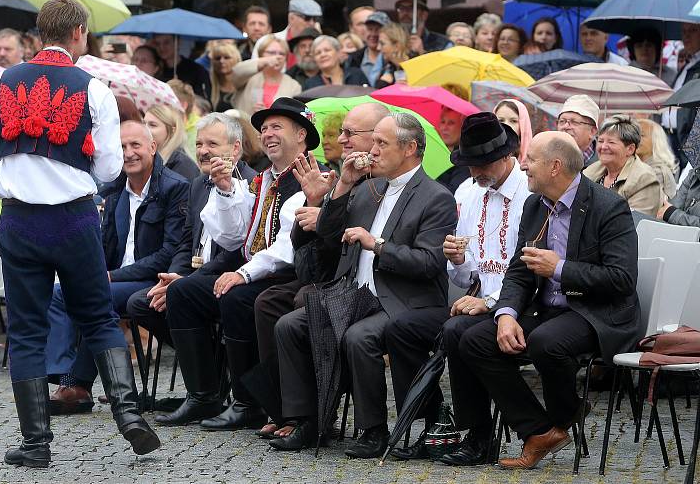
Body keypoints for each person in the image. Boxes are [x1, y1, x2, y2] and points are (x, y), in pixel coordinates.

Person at [0, 0, 160, 466]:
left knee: (27, 329)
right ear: (79, 32)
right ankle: (130, 417)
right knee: (98, 317)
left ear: (40, 33)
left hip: (18, 219)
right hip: (75, 217)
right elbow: (109, 166)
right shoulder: (94, 88)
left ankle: (36, 444)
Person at [269, 112, 456, 456]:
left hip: (400, 300)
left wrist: (378, 245)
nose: (373, 150)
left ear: (410, 148)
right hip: (352, 294)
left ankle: (373, 429)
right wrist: (341, 186)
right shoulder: (369, 187)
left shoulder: (435, 197)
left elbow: (429, 264)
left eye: (382, 143)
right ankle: (308, 421)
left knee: (359, 337)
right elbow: (327, 239)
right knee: (289, 326)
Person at [454, 131, 640, 470]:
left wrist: (561, 269)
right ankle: (538, 431)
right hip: (548, 307)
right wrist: (506, 313)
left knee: (545, 342)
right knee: (473, 338)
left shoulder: (608, 206)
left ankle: (564, 415)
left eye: (531, 159)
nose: (523, 165)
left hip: (595, 310)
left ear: (555, 167)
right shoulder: (534, 205)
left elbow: (621, 279)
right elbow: (519, 271)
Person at [155, 98, 315, 431]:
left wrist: (242, 273)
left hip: (292, 276)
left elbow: (287, 247)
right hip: (256, 271)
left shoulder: (311, 178)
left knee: (237, 297)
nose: (267, 134)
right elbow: (232, 238)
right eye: (265, 128)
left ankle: (248, 401)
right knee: (183, 292)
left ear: (301, 135)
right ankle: (203, 395)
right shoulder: (263, 180)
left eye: (277, 127)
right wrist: (226, 191)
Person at [385, 112, 530, 461]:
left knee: (457, 330)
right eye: (469, 164)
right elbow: (464, 278)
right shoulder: (469, 191)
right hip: (474, 302)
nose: (475, 172)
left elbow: (528, 272)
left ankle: (478, 435)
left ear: (506, 156)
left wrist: (491, 303)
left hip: (519, 305)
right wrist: (459, 260)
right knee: (401, 328)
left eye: (482, 164)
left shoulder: (529, 194)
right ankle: (437, 423)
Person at [45, 120, 189, 415]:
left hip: (153, 279)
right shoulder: (112, 191)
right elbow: (103, 246)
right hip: (113, 279)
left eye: (135, 145)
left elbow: (168, 254)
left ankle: (84, 385)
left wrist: (108, 276)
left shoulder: (175, 188)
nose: (128, 153)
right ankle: (62, 376)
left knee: (96, 296)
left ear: (152, 147)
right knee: (60, 292)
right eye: (121, 147)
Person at [127, 113, 258, 346]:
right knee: (140, 303)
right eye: (199, 144)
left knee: (181, 296)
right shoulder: (198, 184)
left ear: (235, 148)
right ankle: (206, 359)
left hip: (225, 278)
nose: (203, 151)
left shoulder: (251, 184)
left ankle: (211, 365)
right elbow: (186, 242)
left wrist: (185, 282)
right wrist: (174, 276)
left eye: (212, 144)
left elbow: (238, 248)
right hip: (191, 276)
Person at [584, 115, 661, 216]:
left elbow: (634, 223)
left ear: (630, 149)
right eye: (601, 141)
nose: (603, 147)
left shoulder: (644, 179)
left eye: (611, 142)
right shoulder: (590, 171)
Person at [231, 35, 301, 116]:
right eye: (271, 53)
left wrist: (268, 113)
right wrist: (264, 62)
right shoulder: (249, 77)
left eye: (281, 54)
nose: (277, 57)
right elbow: (236, 72)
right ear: (261, 55)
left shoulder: (293, 85)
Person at [663, 23, 700, 171]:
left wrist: (688, 144)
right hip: (671, 137)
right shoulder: (688, 64)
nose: (686, 36)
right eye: (684, 31)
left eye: (693, 30)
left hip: (685, 140)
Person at [251, 0, 322, 69]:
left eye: (315, 19)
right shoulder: (266, 41)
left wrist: (319, 39)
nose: (312, 23)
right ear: (291, 18)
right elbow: (254, 70)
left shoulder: (320, 43)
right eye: (307, 18)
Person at [143, 104, 200, 181]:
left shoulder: (183, 165)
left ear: (172, 130)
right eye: (143, 124)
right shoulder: (148, 157)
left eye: (152, 125)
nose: (145, 129)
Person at [149, 34, 211, 99]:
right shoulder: (154, 69)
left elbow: (204, 101)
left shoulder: (196, 70)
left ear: (178, 42)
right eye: (157, 44)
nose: (161, 47)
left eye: (166, 42)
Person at [303, 36, 369, 90]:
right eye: (318, 53)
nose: (323, 55)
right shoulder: (310, 84)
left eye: (327, 50)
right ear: (314, 59)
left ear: (338, 53)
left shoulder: (356, 74)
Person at [636, 119, 678, 199]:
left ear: (655, 141)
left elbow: (643, 204)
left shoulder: (658, 171)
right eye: (634, 135)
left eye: (642, 135)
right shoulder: (635, 165)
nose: (636, 139)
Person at [345, 11, 388, 87]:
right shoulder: (353, 59)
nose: (373, 34)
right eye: (370, 29)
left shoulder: (393, 60)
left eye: (378, 30)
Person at [557, 94, 599, 167]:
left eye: (574, 122)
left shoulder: (604, 166)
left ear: (592, 131)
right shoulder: (548, 157)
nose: (566, 126)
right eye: (562, 121)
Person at [436, 107, 471, 194]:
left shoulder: (465, 159)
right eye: (442, 122)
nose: (445, 127)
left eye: (451, 123)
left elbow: (453, 192)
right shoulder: (435, 153)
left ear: (462, 127)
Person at [209, 41, 241, 113]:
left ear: (236, 59)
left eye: (227, 57)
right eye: (217, 58)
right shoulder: (208, 85)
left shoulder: (245, 85)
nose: (221, 61)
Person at [375, 22, 410, 88]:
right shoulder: (388, 67)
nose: (378, 48)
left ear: (397, 46)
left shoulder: (414, 68)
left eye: (382, 44)